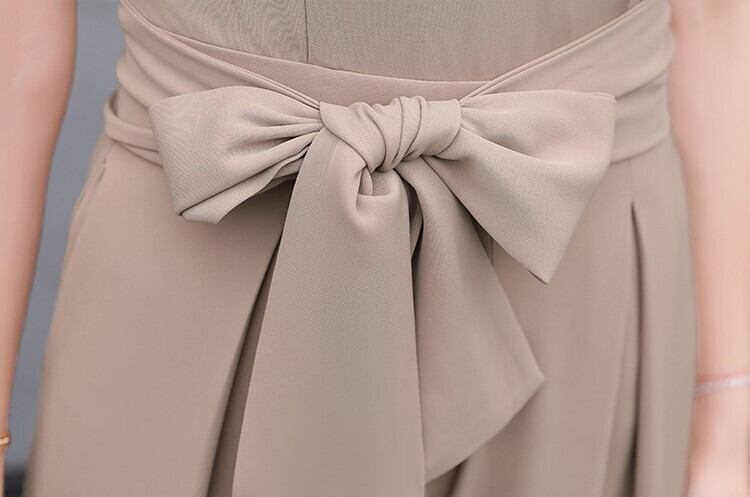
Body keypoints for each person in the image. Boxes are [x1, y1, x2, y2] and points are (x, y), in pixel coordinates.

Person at [1, 0, 748, 495]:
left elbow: (716, 19)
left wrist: (729, 424)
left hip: (571, 276)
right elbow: (13, 56)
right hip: (203, 253)